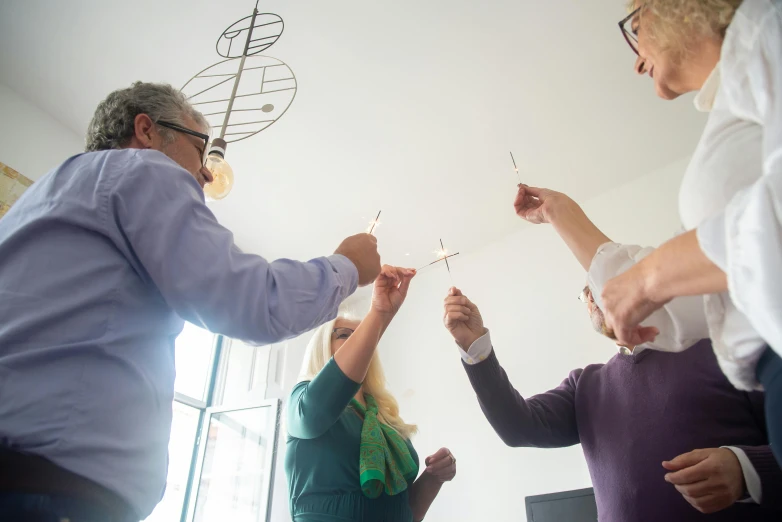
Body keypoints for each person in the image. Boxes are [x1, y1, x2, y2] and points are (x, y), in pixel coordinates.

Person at [0, 82, 382, 522]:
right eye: (200, 149)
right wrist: (346, 267)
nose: (205, 173)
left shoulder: (42, 197)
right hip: (50, 493)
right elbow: (253, 302)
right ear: (146, 130)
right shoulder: (141, 169)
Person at [442, 189, 782, 520]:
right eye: (584, 295)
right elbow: (517, 428)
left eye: (596, 286)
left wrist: (745, 468)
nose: (591, 299)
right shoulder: (586, 386)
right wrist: (476, 347)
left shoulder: (720, 346)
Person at [594, 0, 782, 462]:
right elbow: (700, 302)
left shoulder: (768, 21)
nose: (637, 60)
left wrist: (650, 277)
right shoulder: (732, 107)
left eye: (635, 26)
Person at [286, 265, 456, 522]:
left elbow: (405, 512)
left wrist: (434, 477)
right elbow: (315, 411)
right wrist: (379, 314)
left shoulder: (385, 418)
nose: (361, 342)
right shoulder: (301, 400)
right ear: (321, 345)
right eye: (345, 335)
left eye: (364, 337)